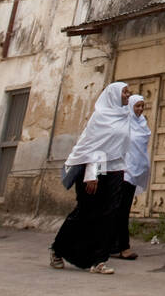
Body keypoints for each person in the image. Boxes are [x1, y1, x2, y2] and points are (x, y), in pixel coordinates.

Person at [50, 82, 134, 274]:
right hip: (96, 167)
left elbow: (120, 146)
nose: (128, 95)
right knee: (86, 211)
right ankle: (57, 249)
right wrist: (91, 174)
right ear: (113, 95)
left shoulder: (124, 116)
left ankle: (99, 261)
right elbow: (92, 145)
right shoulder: (100, 117)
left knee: (110, 213)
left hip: (115, 168)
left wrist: (125, 170)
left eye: (128, 92)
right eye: (125, 92)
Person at [111, 94, 150, 261]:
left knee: (122, 210)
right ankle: (122, 247)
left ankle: (114, 246)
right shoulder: (124, 125)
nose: (140, 109)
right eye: (137, 106)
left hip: (135, 173)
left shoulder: (142, 124)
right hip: (123, 172)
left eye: (142, 106)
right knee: (120, 210)